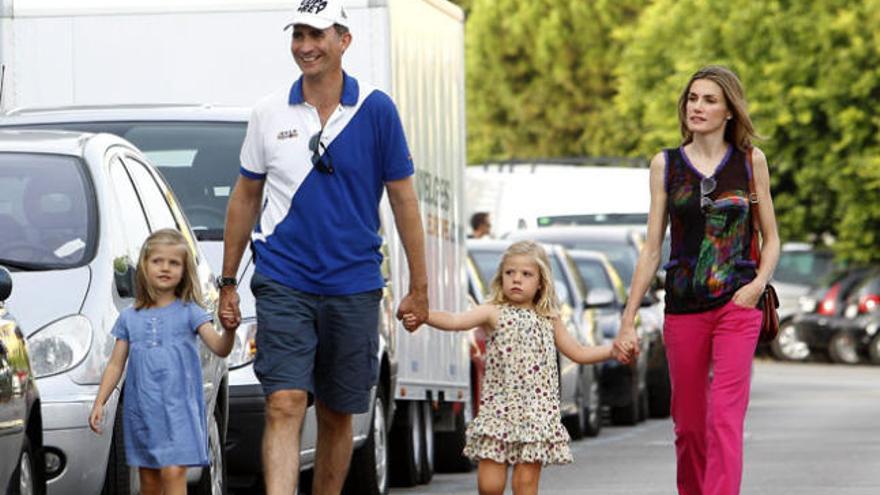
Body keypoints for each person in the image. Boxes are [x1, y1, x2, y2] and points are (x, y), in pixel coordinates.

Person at [217, 0, 429, 493]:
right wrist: (228, 282)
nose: (305, 47)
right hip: (284, 279)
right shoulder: (268, 112)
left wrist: (419, 287)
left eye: (316, 35)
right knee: (284, 401)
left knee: (338, 411)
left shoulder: (375, 109)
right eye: (298, 36)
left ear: (343, 40)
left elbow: (404, 201)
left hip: (353, 283)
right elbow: (245, 197)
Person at [615, 65, 780, 495]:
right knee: (689, 426)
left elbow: (772, 237)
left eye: (709, 100)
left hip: (737, 304)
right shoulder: (665, 165)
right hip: (684, 308)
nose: (698, 107)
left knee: (724, 417)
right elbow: (653, 248)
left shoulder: (749, 162)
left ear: (729, 110)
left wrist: (757, 285)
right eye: (693, 98)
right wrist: (628, 318)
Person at [404, 240, 632, 495]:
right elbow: (456, 320)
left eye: (526, 274)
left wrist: (611, 350)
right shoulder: (493, 312)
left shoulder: (549, 317)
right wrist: (425, 316)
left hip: (536, 416)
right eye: (510, 273)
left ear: (541, 282)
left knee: (525, 486)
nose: (516, 279)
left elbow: (578, 352)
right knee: (489, 487)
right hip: (499, 413)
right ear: (501, 277)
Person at [89, 229, 235, 495]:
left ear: (184, 269)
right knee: (150, 480)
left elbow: (219, 347)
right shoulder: (129, 318)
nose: (165, 268)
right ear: (144, 267)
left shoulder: (191, 313)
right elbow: (115, 364)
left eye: (174, 262)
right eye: (157, 261)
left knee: (173, 471)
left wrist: (230, 330)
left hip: (179, 412)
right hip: (143, 412)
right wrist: (100, 401)